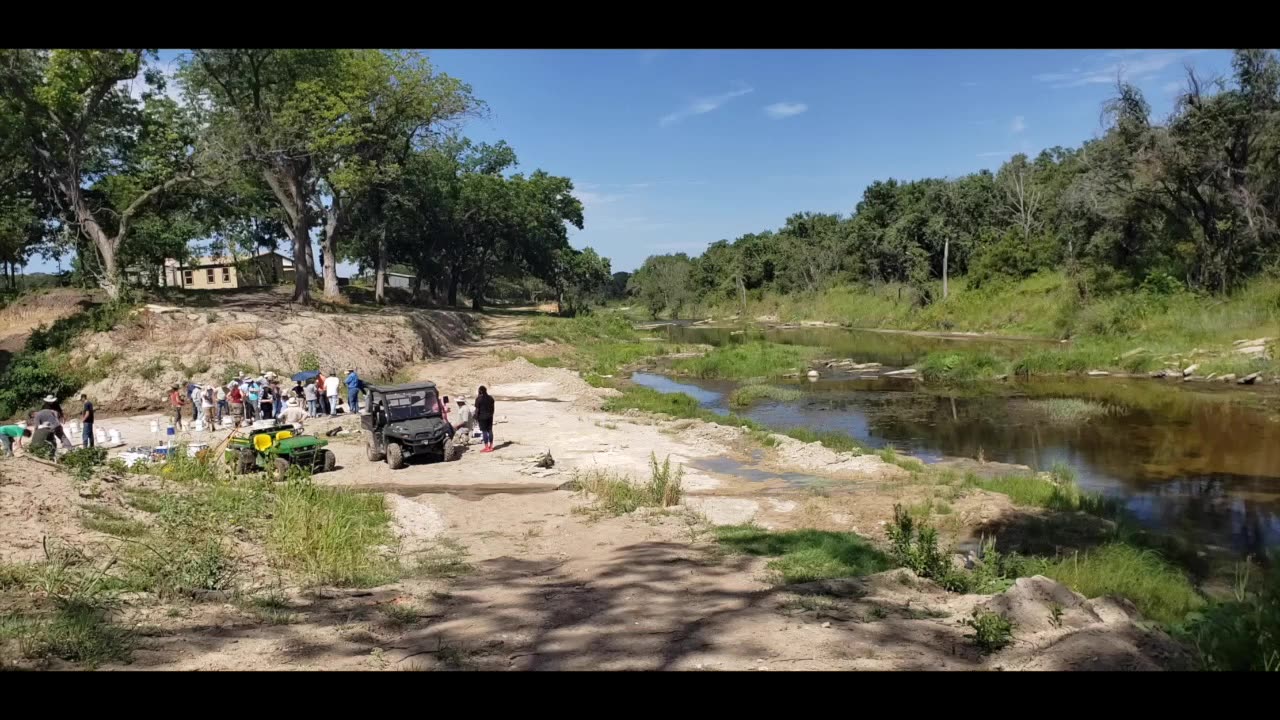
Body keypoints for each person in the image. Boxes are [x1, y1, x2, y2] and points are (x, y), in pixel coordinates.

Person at [475, 385, 495, 453]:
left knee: (484, 431)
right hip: (490, 416)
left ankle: (486, 447)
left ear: (480, 391)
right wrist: (491, 414)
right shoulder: (490, 398)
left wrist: (476, 417)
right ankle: (491, 446)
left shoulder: (478, 399)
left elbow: (477, 410)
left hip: (482, 417)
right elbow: (493, 408)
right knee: (490, 430)